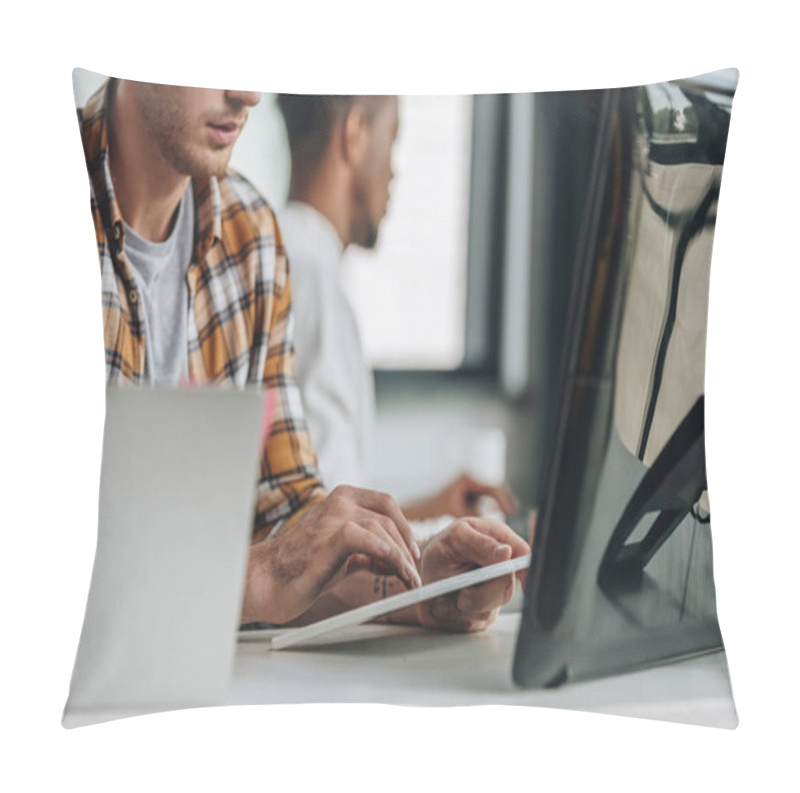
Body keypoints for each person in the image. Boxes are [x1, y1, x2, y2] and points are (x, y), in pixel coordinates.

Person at [78, 77, 529, 630]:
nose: (248, 95)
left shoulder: (253, 239)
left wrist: (417, 585)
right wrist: (259, 573)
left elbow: (292, 529)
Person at [277, 94, 518, 522]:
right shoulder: (311, 278)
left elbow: (321, 520)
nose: (393, 171)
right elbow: (329, 543)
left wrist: (428, 512)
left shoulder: (285, 251)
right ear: (354, 136)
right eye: (392, 140)